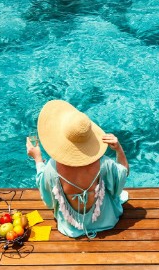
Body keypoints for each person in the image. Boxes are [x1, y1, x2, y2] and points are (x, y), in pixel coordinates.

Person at [26, 100, 129, 238]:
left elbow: (49, 202)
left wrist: (38, 159)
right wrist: (119, 149)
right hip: (107, 222)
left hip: (70, 228)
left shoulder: (52, 168)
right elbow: (122, 176)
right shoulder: (104, 163)